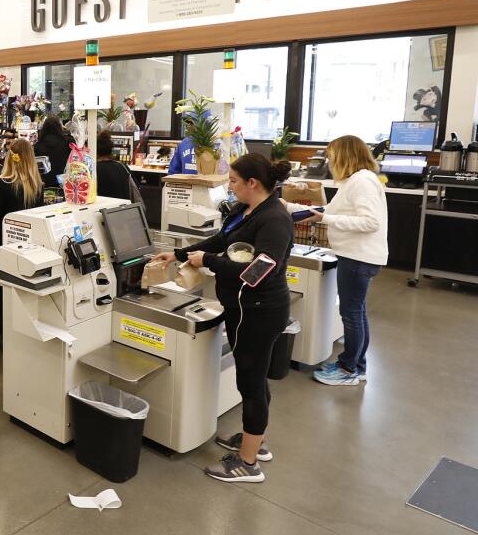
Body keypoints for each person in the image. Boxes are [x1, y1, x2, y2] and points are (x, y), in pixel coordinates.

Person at [154, 154, 294, 483]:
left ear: (252, 183)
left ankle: (248, 464)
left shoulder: (274, 220)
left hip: (259, 311)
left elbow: (258, 271)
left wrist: (210, 262)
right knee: (252, 379)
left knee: (251, 381)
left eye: (232, 181)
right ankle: (254, 441)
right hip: (242, 309)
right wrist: (178, 254)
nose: (229, 187)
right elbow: (220, 241)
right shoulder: (244, 211)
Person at [294, 135, 388, 386]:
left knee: (352, 313)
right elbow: (335, 212)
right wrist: (298, 210)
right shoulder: (355, 181)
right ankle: (358, 365)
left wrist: (324, 220)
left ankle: (348, 370)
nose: (329, 158)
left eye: (332, 153)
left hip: (359, 257)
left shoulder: (362, 182)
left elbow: (370, 222)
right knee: (357, 312)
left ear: (347, 154)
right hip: (356, 255)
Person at [0, 138, 44, 242]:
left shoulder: (3, 184)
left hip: (8, 240)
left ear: (9, 157)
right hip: (32, 239)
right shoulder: (38, 184)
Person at [95, 130, 140, 201]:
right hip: (123, 209)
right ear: (111, 150)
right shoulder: (122, 167)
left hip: (104, 209)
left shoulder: (93, 169)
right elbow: (135, 187)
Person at [34, 114, 75, 190]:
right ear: (59, 127)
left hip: (44, 183)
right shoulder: (68, 142)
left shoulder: (38, 145)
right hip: (64, 182)